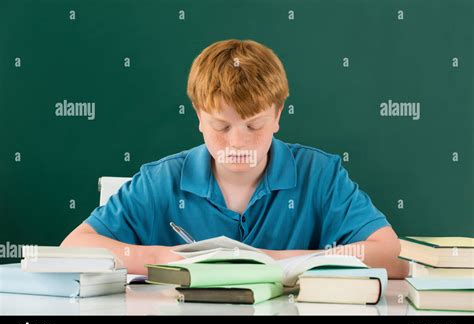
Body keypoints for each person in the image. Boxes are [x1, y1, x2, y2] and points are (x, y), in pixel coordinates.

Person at [61, 39, 409, 278]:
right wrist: (161, 258)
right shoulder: (161, 180)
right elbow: (75, 246)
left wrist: (274, 263)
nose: (238, 142)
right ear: (198, 116)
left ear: (277, 115)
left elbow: (391, 255)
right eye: (221, 126)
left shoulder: (319, 175)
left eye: (254, 125)